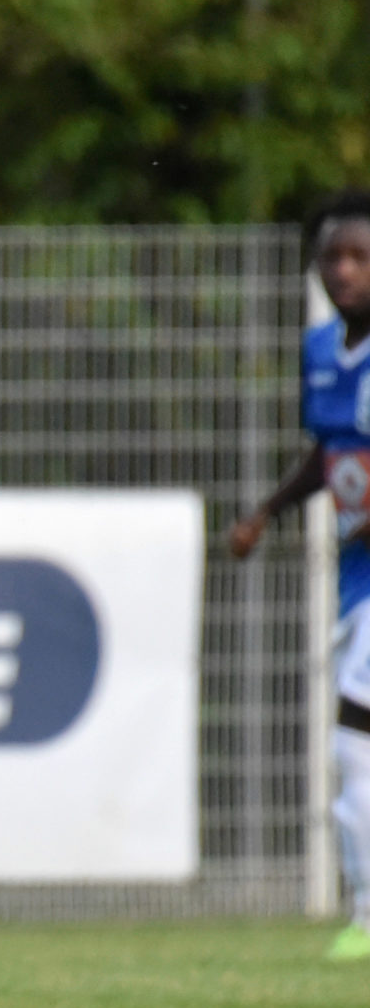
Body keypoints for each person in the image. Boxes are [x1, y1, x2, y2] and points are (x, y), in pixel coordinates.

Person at [228, 188, 370, 960]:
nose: (343, 271)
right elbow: (329, 453)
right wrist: (267, 512)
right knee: (353, 742)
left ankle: (368, 916)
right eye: (331, 258)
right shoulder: (321, 350)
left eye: (359, 257)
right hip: (357, 576)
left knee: (354, 735)